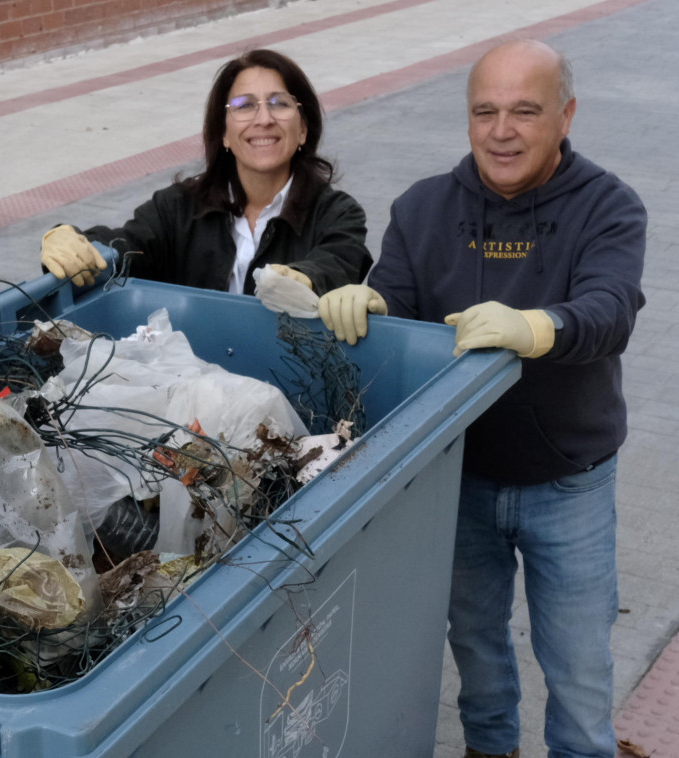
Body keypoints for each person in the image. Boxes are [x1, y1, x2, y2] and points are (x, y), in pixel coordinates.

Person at [319, 39, 647, 758]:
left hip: (570, 480)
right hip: (456, 475)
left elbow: (611, 308)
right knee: (473, 643)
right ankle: (489, 748)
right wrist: (367, 300)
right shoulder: (424, 206)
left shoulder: (609, 207)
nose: (503, 130)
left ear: (565, 115)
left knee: (579, 661)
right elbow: (396, 304)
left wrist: (540, 325)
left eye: (525, 111)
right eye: (486, 111)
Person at [39, 49, 372, 296]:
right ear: (224, 133)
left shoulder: (337, 214)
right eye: (244, 106)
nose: (263, 119)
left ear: (303, 130)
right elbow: (126, 249)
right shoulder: (178, 208)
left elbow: (338, 264)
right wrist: (72, 240)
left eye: (279, 103)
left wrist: (300, 279)